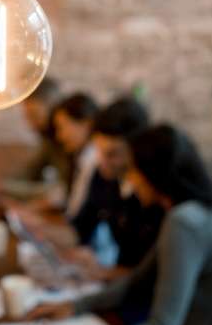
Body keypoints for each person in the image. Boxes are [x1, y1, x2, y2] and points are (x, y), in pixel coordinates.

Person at [0, 125, 212, 325]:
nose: (132, 181)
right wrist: (74, 307)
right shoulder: (193, 212)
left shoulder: (185, 223)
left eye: (134, 171)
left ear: (155, 175)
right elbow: (137, 283)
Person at [69, 96, 161, 271]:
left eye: (112, 154)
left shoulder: (154, 195)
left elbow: (152, 275)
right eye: (99, 151)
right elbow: (82, 228)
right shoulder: (103, 176)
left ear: (138, 149)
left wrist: (103, 273)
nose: (103, 163)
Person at [51, 92, 99, 217]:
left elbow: (75, 217)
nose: (59, 136)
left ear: (86, 124)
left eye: (62, 127)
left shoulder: (94, 160)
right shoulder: (81, 158)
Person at [19, 77, 69, 182]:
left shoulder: (67, 142)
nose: (30, 124)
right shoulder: (49, 141)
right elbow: (30, 172)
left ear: (53, 107)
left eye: (34, 115)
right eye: (28, 116)